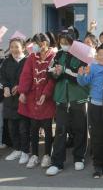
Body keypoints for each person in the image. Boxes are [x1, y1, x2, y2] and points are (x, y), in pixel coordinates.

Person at [46, 32, 89, 176]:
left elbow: (82, 76)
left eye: (67, 41)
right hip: (61, 97)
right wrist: (56, 72)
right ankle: (57, 162)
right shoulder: (58, 54)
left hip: (79, 96)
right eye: (62, 41)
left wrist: (65, 71)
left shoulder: (82, 54)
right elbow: (50, 71)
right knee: (60, 130)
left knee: (80, 128)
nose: (64, 44)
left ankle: (79, 157)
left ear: (74, 42)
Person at [18, 33, 56, 168]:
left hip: (47, 98)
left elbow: (52, 79)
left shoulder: (54, 56)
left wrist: (46, 94)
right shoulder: (31, 57)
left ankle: (47, 155)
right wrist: (22, 91)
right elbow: (26, 74)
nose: (33, 46)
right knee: (33, 128)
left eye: (36, 43)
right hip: (33, 98)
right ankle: (34, 155)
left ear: (44, 43)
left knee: (47, 127)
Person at [77, 43, 103, 178]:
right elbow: (83, 82)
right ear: (96, 56)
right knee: (97, 136)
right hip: (96, 106)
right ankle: (98, 165)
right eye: (101, 54)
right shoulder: (92, 67)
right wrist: (81, 75)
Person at [1, 38, 28, 162]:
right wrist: (5, 87)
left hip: (23, 98)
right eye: (12, 46)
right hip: (9, 99)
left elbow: (30, 78)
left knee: (23, 128)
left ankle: (25, 151)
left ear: (23, 47)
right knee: (12, 127)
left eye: (17, 46)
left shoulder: (27, 61)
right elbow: (2, 77)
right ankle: (16, 149)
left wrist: (20, 86)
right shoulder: (7, 62)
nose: (14, 49)